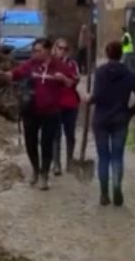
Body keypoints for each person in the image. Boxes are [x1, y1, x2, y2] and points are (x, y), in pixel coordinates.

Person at [0, 38, 70, 190]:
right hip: (31, 110)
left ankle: (44, 175)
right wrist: (3, 75)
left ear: (48, 51)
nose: (34, 53)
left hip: (51, 111)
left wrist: (63, 78)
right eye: (33, 51)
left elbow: (71, 82)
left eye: (38, 51)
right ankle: (36, 169)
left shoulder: (59, 65)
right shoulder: (31, 64)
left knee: (47, 143)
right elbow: (15, 73)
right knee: (30, 142)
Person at [90, 41, 135, 207]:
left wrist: (88, 99)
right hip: (120, 120)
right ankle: (116, 188)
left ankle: (103, 194)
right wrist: (130, 112)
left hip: (101, 120)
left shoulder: (100, 72)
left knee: (103, 157)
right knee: (117, 156)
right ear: (121, 54)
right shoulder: (130, 74)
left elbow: (97, 96)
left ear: (107, 53)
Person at [51, 38, 81, 176]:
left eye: (65, 49)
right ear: (55, 48)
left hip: (70, 104)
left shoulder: (72, 64)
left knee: (70, 134)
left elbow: (74, 81)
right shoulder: (50, 63)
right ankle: (56, 164)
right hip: (55, 105)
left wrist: (63, 78)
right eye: (60, 48)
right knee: (55, 135)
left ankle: (69, 161)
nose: (62, 51)